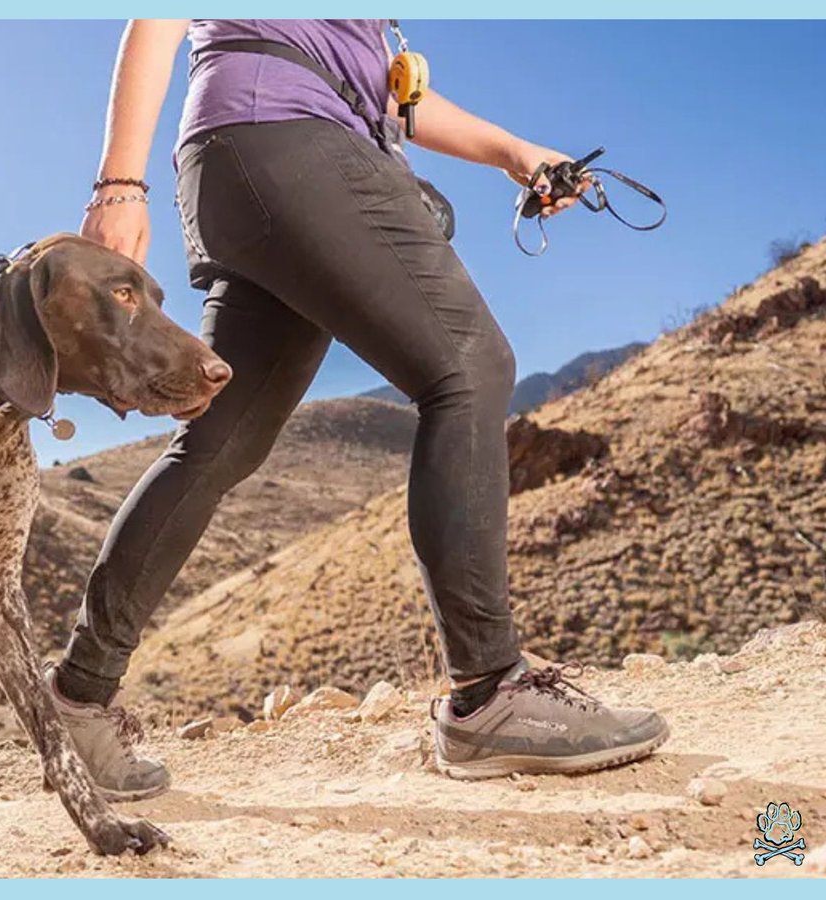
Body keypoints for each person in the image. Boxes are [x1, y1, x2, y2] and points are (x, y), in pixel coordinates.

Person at [44, 19, 669, 799]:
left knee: (223, 441)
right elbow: (158, 15)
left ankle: (76, 694)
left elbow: (395, 92)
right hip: (284, 141)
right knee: (470, 366)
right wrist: (117, 185)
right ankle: (489, 692)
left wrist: (519, 153)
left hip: (248, 164)